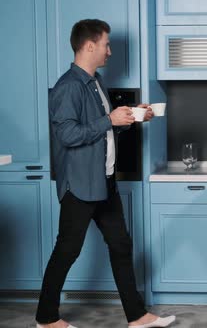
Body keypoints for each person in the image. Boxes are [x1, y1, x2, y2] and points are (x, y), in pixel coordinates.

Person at [35, 19, 175, 328]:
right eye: (106, 45)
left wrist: (130, 119)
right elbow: (68, 135)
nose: (110, 51)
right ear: (89, 46)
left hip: (103, 181)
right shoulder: (68, 86)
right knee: (68, 249)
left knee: (121, 246)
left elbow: (103, 133)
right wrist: (108, 120)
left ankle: (137, 317)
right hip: (80, 184)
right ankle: (45, 319)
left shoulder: (95, 82)